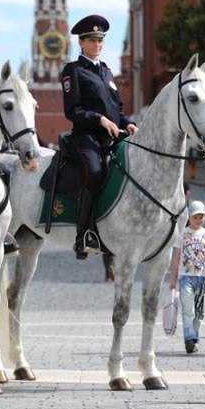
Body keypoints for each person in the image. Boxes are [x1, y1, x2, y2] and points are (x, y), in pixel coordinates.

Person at [61, 14, 137, 259]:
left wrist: (129, 124)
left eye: (100, 40)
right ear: (81, 43)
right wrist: (99, 120)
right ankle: (84, 235)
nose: (97, 44)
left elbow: (117, 111)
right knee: (94, 172)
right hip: (87, 138)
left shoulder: (106, 71)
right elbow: (72, 111)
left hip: (112, 139)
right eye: (92, 40)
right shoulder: (72, 71)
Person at [168, 201, 205, 354]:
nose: (199, 220)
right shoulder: (182, 234)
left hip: (202, 278)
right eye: (196, 217)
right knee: (187, 309)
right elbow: (176, 257)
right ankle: (189, 339)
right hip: (185, 277)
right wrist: (173, 277)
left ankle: (194, 336)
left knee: (198, 312)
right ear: (189, 217)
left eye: (202, 217)